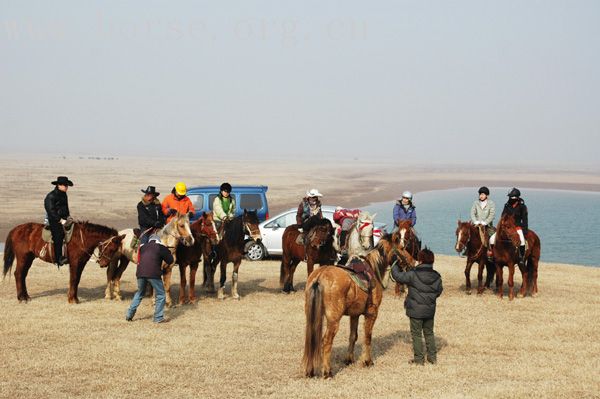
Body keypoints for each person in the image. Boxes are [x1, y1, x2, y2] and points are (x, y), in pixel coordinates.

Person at [391, 247, 443, 365]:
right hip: (430, 310)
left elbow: (397, 276)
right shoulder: (437, 276)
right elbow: (439, 291)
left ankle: (419, 359)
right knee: (429, 333)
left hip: (415, 310)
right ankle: (432, 357)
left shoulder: (413, 274)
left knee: (416, 334)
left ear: (420, 260)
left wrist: (394, 263)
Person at [125, 234, 174, 323]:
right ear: (159, 241)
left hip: (140, 273)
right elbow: (170, 260)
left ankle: (129, 315)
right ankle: (158, 318)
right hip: (153, 274)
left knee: (140, 293)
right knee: (161, 295)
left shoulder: (143, 247)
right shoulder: (161, 247)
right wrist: (167, 251)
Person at [489, 188, 529, 267]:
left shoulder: (522, 206)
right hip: (507, 227)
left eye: (512, 197)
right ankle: (493, 255)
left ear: (517, 197)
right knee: (492, 239)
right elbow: (502, 216)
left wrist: (525, 231)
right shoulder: (507, 205)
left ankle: (521, 258)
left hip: (517, 227)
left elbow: (525, 220)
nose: (511, 198)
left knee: (522, 241)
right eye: (510, 197)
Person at [44, 176, 74, 266]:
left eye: (67, 185)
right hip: (53, 220)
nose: (66, 187)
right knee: (59, 235)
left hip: (64, 219)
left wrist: (68, 217)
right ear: (58, 185)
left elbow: (65, 207)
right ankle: (58, 258)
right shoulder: (51, 196)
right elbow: (50, 210)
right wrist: (60, 220)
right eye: (65, 185)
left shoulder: (64, 194)